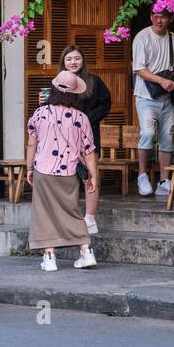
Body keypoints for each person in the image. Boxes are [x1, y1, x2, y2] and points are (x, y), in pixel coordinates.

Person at [25, 70, 99, 272]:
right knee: (72, 212)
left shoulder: (40, 114)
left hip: (44, 170)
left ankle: (49, 258)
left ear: (54, 90)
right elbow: (89, 151)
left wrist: (29, 168)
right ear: (75, 94)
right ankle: (86, 251)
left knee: (44, 213)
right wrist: (92, 176)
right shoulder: (81, 117)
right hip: (69, 173)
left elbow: (32, 145)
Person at [59, 45, 112, 234]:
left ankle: (90, 219)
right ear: (63, 62)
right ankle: (68, 218)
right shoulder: (58, 82)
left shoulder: (94, 81)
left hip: (87, 136)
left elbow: (106, 104)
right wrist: (43, 102)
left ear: (83, 61)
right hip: (63, 139)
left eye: (77, 58)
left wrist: (87, 119)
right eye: (69, 59)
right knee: (65, 179)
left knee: (89, 177)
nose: (73, 62)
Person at [132, 10, 174, 198]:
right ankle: (142, 176)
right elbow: (139, 69)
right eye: (155, 15)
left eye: (163, 16)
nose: (158, 20)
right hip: (146, 96)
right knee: (147, 133)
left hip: (167, 97)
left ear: (170, 19)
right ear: (150, 16)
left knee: (167, 138)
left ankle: (164, 179)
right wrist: (161, 81)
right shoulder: (142, 37)